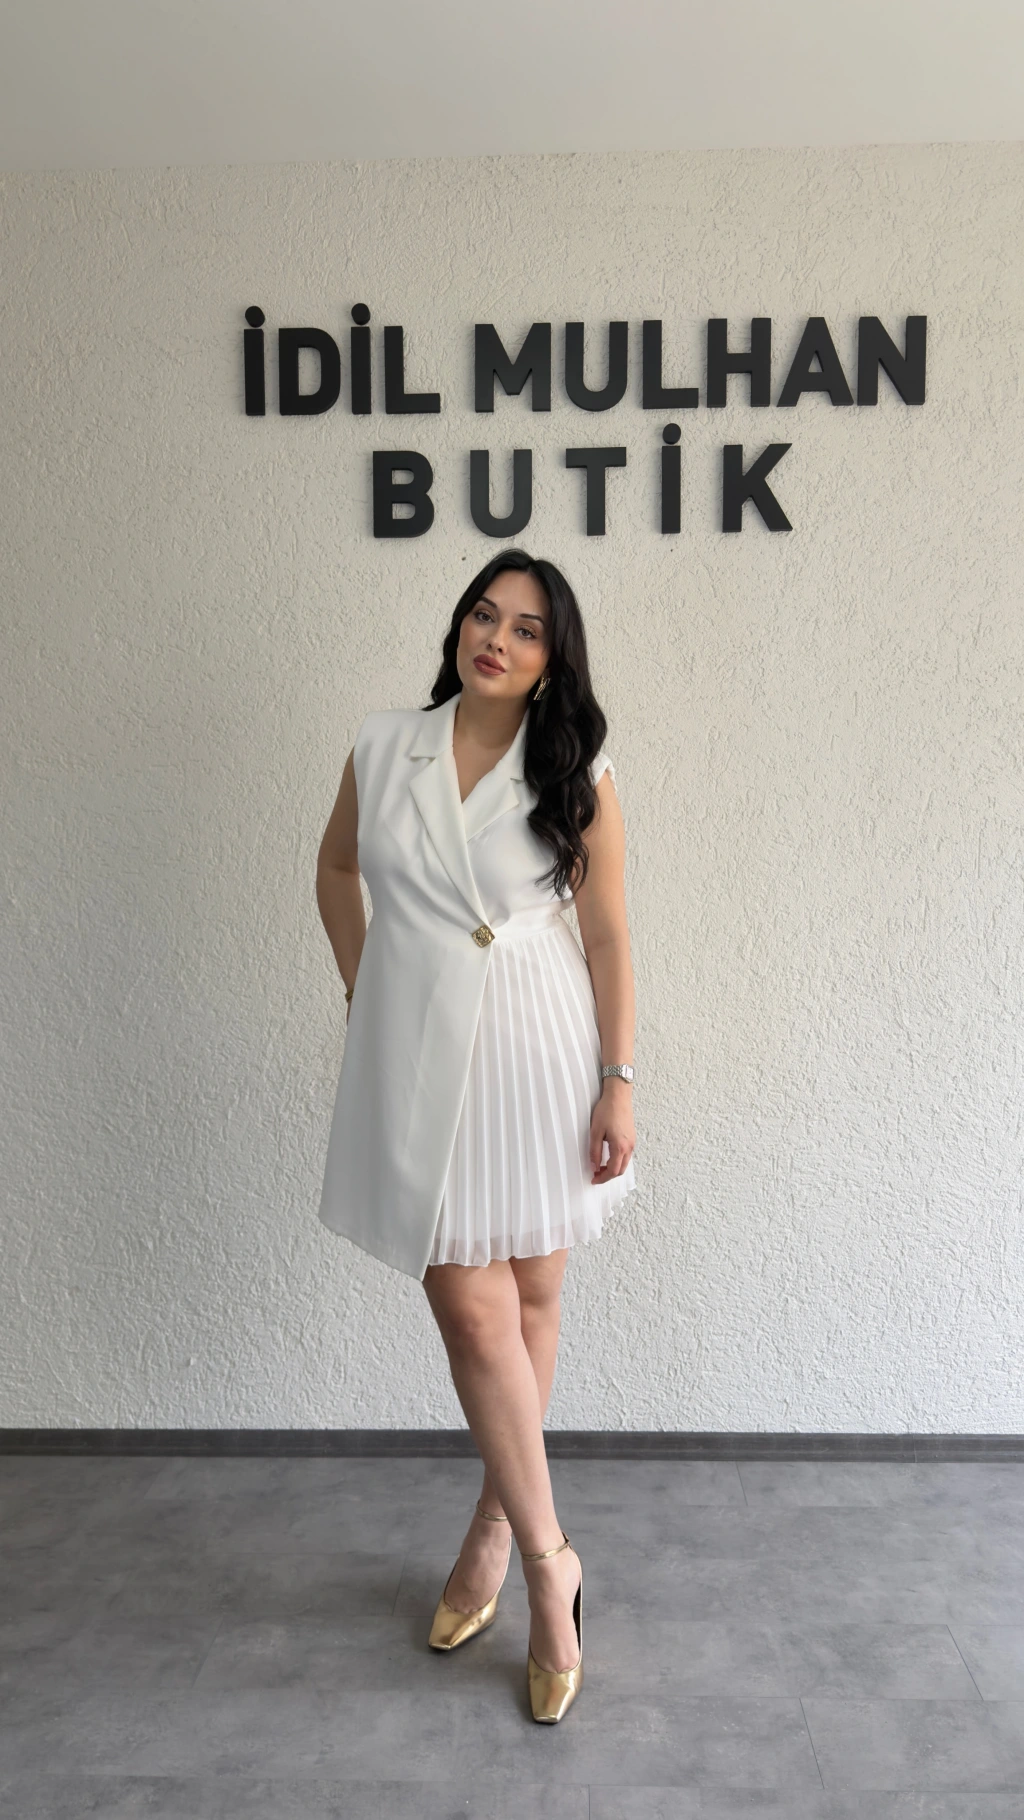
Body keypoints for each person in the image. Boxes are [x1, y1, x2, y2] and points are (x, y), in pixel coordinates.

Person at [315, 548, 637, 1723]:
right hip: (419, 1057)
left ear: (553, 659)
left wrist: (616, 1080)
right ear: (458, 626)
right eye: (483, 614)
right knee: (470, 1303)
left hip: (541, 1047)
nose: (497, 637)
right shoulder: (382, 745)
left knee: (534, 1293)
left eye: (527, 628)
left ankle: (497, 1527)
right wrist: (367, 990)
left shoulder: (575, 767)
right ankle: (554, 1564)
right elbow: (335, 868)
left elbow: (607, 935)